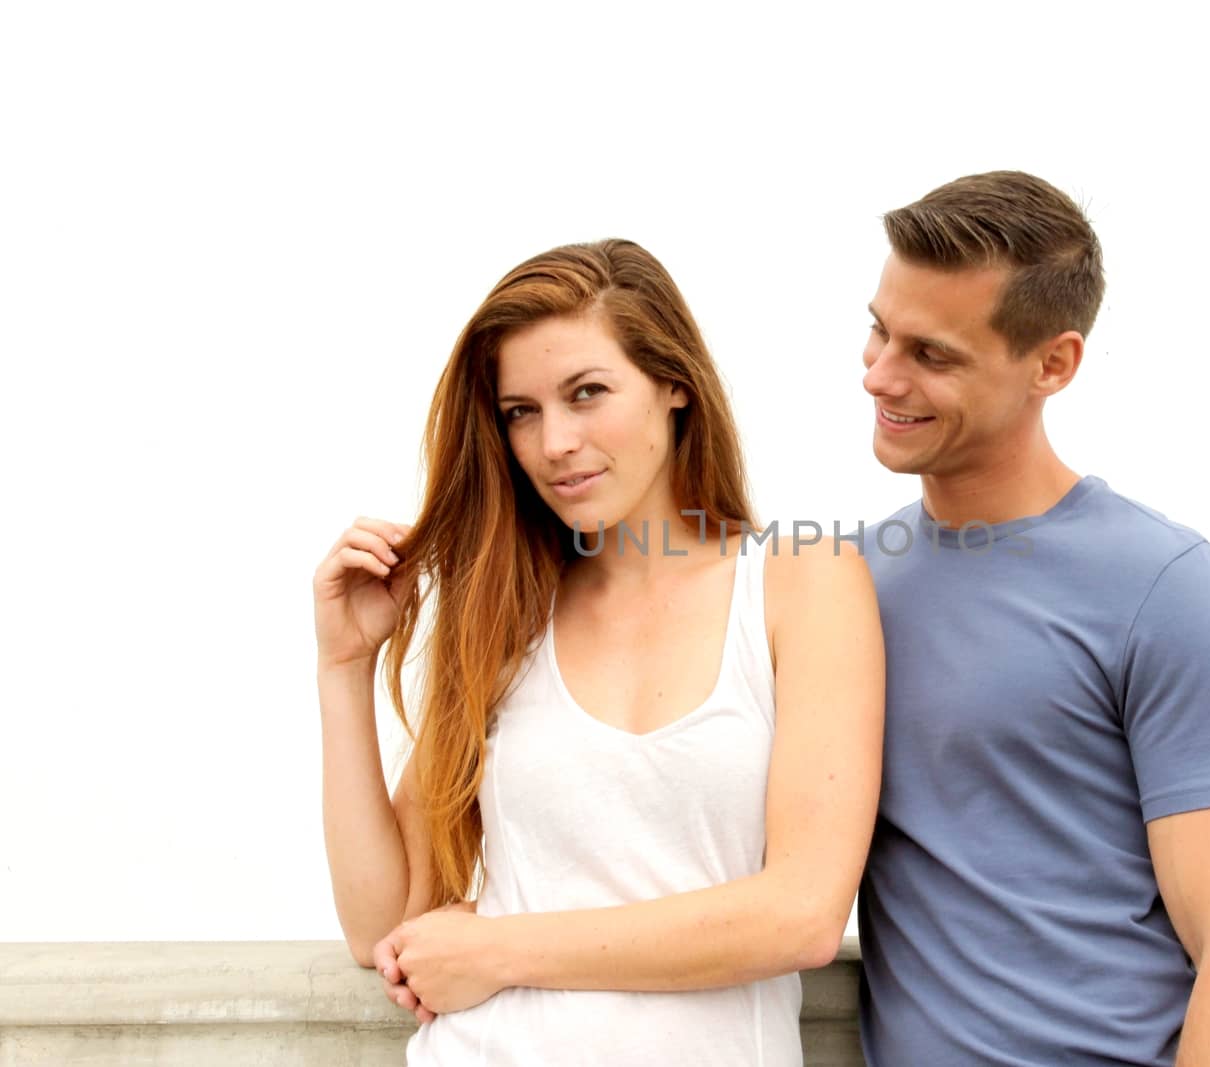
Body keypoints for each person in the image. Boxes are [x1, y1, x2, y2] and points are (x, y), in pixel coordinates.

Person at [312, 239, 884, 1066]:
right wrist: (343, 667)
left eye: (588, 394)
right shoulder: (506, 613)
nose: (555, 442)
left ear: (673, 383)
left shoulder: (802, 581)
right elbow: (381, 928)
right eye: (522, 412)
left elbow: (800, 914)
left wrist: (502, 948)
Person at [854, 173, 1210, 1066]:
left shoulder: (1170, 589)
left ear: (1053, 364)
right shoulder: (847, 584)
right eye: (877, 329)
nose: (880, 374)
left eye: (931, 355)